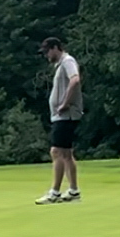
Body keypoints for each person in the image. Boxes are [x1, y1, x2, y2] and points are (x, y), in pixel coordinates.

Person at [36, 37, 83, 204]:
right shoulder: (61, 65)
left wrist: (65, 103)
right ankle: (73, 191)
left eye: (47, 51)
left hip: (66, 115)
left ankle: (55, 192)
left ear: (55, 48)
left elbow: (75, 79)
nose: (46, 56)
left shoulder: (67, 61)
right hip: (61, 116)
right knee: (66, 153)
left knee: (56, 151)